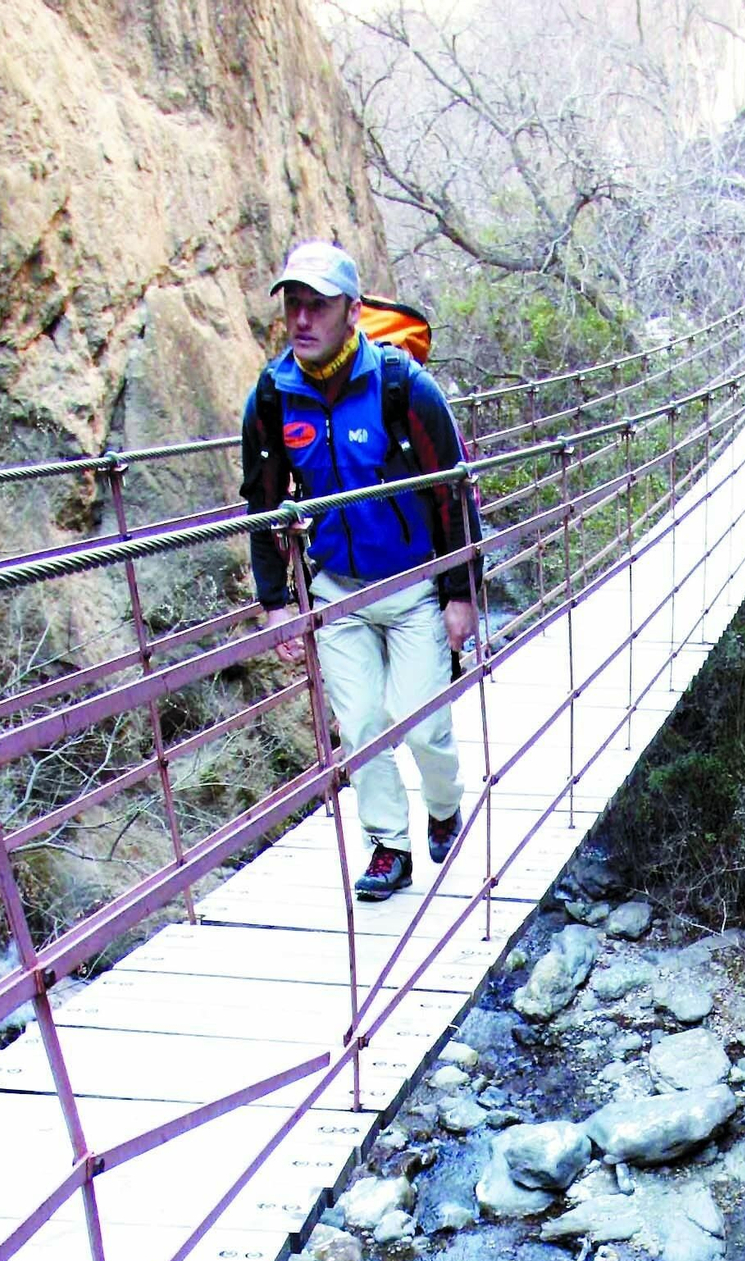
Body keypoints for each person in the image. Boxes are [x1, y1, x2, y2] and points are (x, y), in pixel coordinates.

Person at [241, 240, 479, 899]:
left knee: (423, 722)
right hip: (338, 589)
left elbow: (452, 490)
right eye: (293, 305)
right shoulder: (272, 396)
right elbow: (262, 502)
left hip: (413, 586)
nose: (302, 320)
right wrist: (276, 602)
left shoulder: (403, 386)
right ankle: (389, 848)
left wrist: (461, 593)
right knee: (364, 727)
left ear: (352, 310)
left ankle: (445, 804)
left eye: (317, 305)